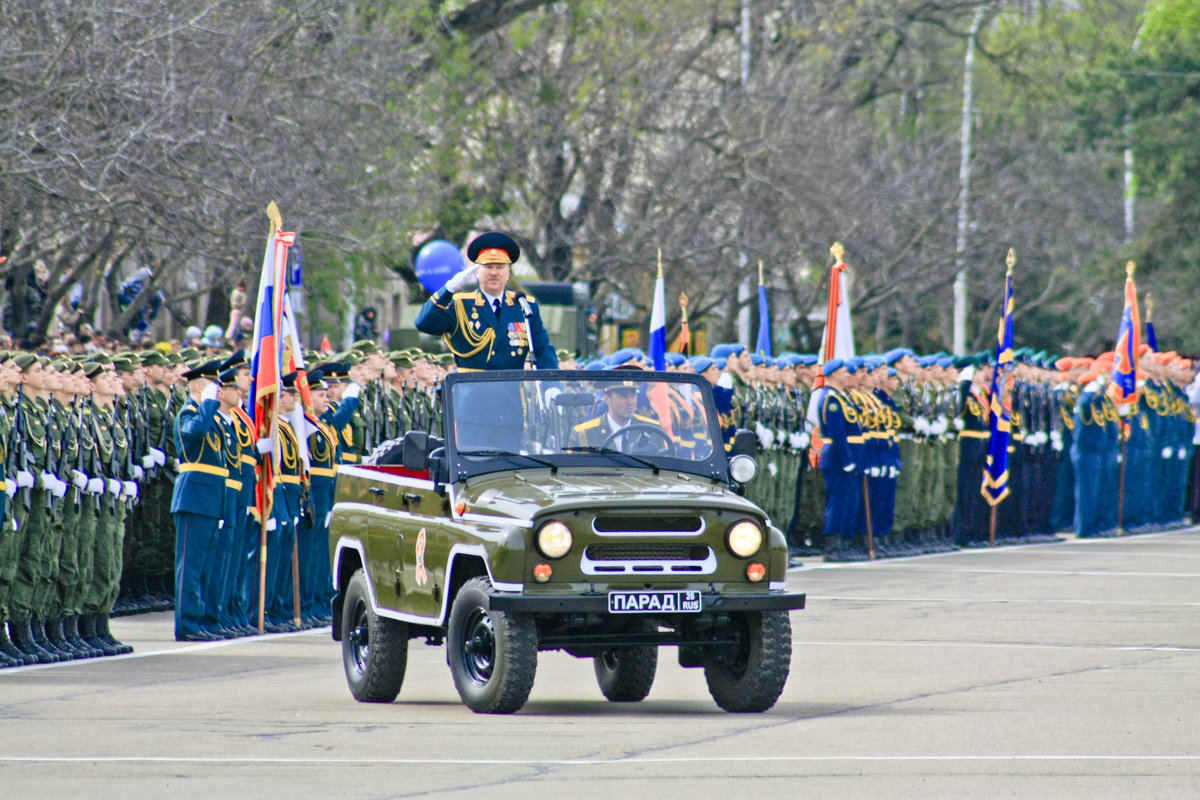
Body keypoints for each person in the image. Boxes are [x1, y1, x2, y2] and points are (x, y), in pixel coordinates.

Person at [414, 232, 557, 371]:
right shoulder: (460, 305)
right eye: (488, 267)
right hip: (473, 391)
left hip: (511, 391)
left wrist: (551, 386)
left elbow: (543, 349)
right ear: (477, 272)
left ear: (508, 273)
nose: (494, 273)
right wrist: (448, 289)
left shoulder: (524, 305)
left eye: (500, 267)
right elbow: (424, 323)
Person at [573, 381, 663, 451]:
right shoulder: (586, 434)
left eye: (633, 396)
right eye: (623, 396)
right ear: (607, 399)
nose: (630, 402)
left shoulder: (651, 430)